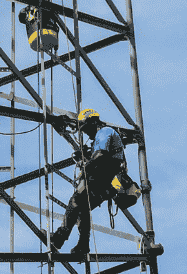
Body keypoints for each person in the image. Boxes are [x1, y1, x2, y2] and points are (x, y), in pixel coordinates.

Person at [50, 108, 128, 256]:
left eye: (86, 128)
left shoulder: (105, 132)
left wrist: (86, 167)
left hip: (104, 178)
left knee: (76, 200)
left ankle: (58, 238)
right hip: (106, 182)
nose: (85, 133)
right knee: (82, 208)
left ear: (93, 121)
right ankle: (82, 246)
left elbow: (100, 156)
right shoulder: (101, 136)